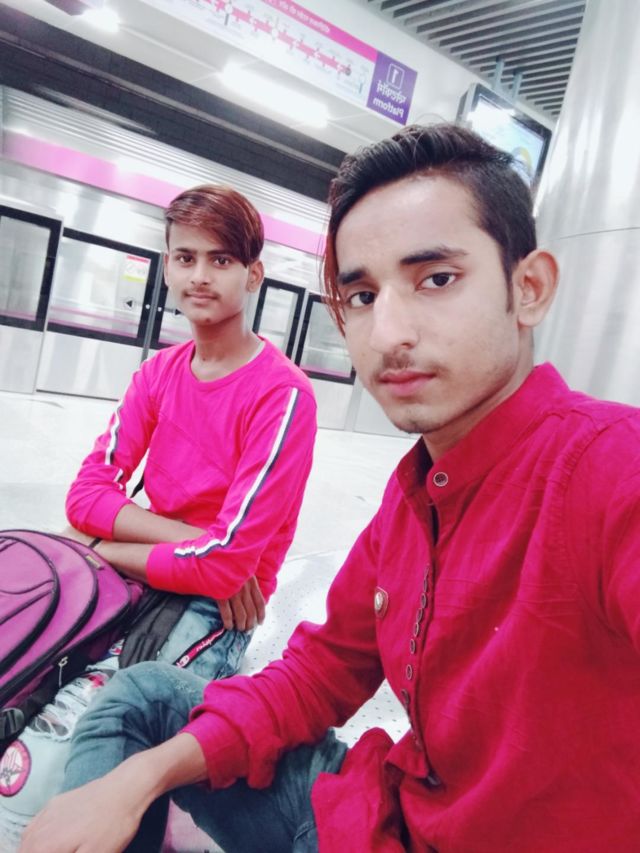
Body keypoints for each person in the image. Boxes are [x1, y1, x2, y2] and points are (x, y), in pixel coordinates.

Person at [19, 123, 640, 853]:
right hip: (371, 812)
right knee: (140, 699)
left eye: (437, 279)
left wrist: (121, 543)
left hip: (233, 629)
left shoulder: (606, 469)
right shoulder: (414, 497)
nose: (388, 332)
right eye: (362, 295)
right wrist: (138, 779)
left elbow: (228, 563)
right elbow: (320, 671)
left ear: (527, 288)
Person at [3, 183, 316, 849]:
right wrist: (194, 539)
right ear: (167, 265)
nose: (199, 275)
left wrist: (101, 545)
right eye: (185, 257)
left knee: (77, 757)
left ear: (254, 274)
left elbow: (224, 569)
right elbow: (85, 495)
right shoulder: (159, 374)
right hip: (152, 575)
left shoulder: (282, 396)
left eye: (221, 260)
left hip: (212, 608)